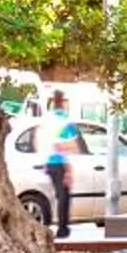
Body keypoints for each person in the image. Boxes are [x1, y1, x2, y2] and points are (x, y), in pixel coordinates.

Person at [41, 91, 79, 237]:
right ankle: (62, 229)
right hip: (60, 163)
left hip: (48, 162)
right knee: (64, 197)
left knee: (56, 196)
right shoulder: (65, 121)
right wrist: (68, 170)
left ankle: (58, 226)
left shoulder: (47, 119)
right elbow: (68, 146)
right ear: (63, 102)